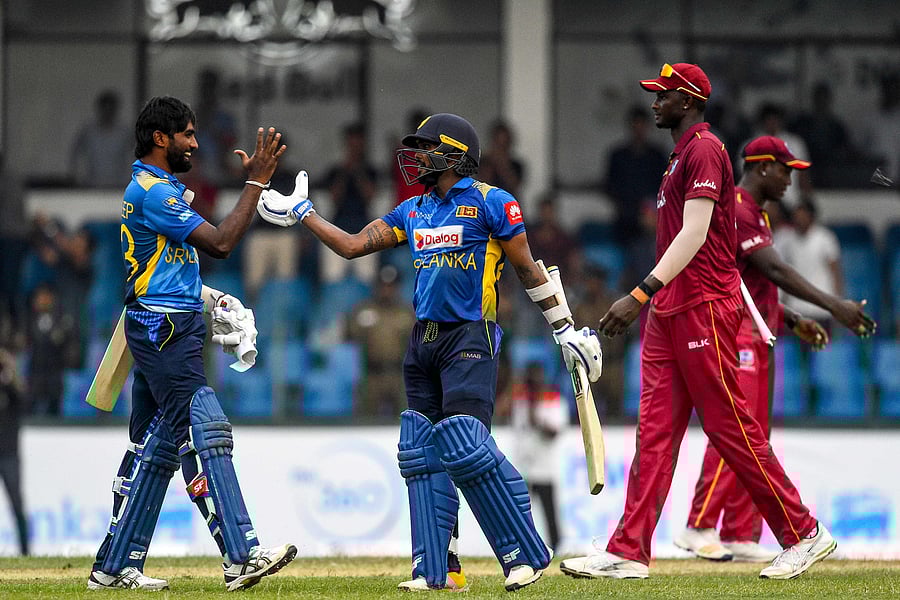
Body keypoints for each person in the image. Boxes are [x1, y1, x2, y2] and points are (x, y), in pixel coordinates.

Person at [257, 112, 602, 591]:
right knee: (422, 451)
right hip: (424, 340)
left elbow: (526, 269)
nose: (416, 157)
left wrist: (564, 329)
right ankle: (438, 569)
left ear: (455, 154)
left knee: (464, 445)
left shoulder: (492, 203)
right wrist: (305, 213)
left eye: (425, 148)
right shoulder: (414, 210)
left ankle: (523, 553)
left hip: (470, 337)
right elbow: (355, 247)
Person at [560, 63, 836, 581]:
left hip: (703, 305)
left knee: (730, 427)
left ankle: (803, 533)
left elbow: (694, 234)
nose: (654, 104)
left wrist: (640, 293)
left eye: (662, 96)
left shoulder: (705, 148)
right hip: (671, 312)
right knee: (656, 435)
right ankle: (629, 550)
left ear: (688, 100)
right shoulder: (679, 156)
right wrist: (653, 301)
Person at [87, 96, 296, 591]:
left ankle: (112, 567)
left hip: (162, 322)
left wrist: (206, 298)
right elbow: (221, 242)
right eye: (187, 134)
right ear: (161, 138)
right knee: (205, 426)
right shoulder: (156, 193)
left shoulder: (156, 187)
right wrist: (256, 183)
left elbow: (157, 267)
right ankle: (241, 554)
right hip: (164, 331)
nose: (195, 143)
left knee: (156, 445)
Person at [674, 135, 876, 563]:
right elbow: (774, 269)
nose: (790, 181)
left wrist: (791, 319)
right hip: (737, 333)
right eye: (786, 171)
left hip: (759, 330)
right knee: (739, 432)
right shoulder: (739, 210)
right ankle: (699, 524)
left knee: (758, 436)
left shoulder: (757, 215)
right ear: (763, 167)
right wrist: (832, 306)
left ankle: (739, 530)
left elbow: (754, 284)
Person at [506, 361, 564, 551]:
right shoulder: (520, 399)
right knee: (519, 511)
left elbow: (555, 431)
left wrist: (538, 417)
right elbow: (502, 411)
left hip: (545, 466)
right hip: (523, 466)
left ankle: (555, 546)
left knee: (549, 512)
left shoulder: (552, 398)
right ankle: (521, 545)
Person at [345, 265, 416, 418]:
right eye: (383, 285)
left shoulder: (406, 313)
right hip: (371, 374)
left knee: (404, 420)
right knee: (366, 419)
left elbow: (417, 343)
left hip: (398, 374)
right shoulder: (363, 310)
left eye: (391, 286)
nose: (386, 290)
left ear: (397, 287)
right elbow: (348, 335)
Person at [320, 121, 380, 284]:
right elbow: (334, 198)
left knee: (367, 279)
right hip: (338, 227)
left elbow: (370, 196)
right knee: (332, 279)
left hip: (364, 229)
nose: (355, 148)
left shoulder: (370, 170)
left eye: (358, 144)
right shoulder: (336, 170)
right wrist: (346, 171)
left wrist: (358, 171)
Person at [603, 104, 668, 246]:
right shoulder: (618, 156)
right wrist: (628, 208)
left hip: (653, 219)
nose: (639, 130)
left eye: (642, 125)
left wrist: (651, 210)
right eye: (635, 125)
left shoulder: (657, 156)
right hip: (625, 221)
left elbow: (666, 186)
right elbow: (609, 186)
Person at [776, 199, 844, 333]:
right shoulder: (788, 240)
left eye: (802, 216)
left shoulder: (825, 238)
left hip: (821, 306)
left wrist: (837, 304)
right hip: (796, 307)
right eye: (796, 217)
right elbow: (784, 273)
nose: (798, 220)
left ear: (811, 217)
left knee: (822, 349)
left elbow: (835, 272)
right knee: (794, 349)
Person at [0, 331, 29, 556]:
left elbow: (23, 402)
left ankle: (25, 550)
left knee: (17, 505)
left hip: (9, 452)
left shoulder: (11, 384)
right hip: (9, 452)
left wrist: (10, 377)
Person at [70, 89, 134, 187]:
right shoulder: (88, 132)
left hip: (118, 186)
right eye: (105, 109)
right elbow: (76, 155)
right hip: (92, 185)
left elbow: (133, 156)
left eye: (110, 109)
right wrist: (78, 179)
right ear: (99, 109)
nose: (107, 113)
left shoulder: (124, 133)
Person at [478, 119, 526, 200]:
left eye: (504, 144)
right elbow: (481, 183)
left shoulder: (516, 165)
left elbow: (515, 185)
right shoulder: (483, 161)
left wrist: (502, 164)